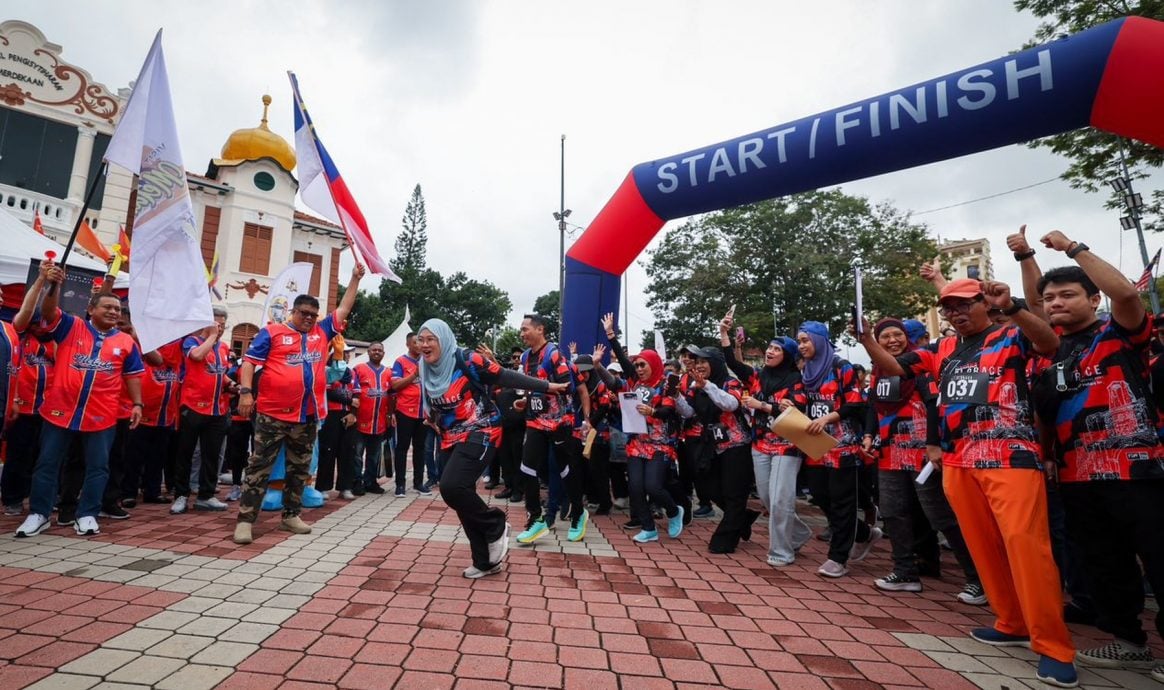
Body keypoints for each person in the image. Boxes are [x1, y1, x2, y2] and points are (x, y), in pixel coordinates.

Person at [858, 277, 1077, 689]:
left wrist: (1011, 306)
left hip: (1010, 457)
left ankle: (1054, 647)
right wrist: (868, 340)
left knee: (1026, 547)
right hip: (959, 461)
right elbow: (898, 369)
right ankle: (1010, 620)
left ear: (985, 303)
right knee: (983, 546)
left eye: (964, 305)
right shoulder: (943, 349)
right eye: (949, 309)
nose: (956, 314)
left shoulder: (1013, 336)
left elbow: (1049, 343)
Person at [1028, 232, 1164, 679]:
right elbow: (1046, 413)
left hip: (1137, 471)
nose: (1055, 304)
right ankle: (1129, 642)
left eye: (1067, 294)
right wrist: (1046, 458)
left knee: (1159, 556)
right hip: (1077, 476)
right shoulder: (1050, 353)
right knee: (1104, 564)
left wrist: (1072, 248)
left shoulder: (1120, 333)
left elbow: (1126, 292)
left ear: (1092, 297)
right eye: (1049, 298)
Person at [417, 319, 562, 577]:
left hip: (481, 429)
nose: (425, 345)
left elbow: (505, 375)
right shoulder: (424, 367)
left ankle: (496, 523)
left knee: (453, 486)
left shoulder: (466, 359)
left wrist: (547, 386)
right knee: (458, 496)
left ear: (444, 339)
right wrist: (431, 419)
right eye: (422, 340)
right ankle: (485, 561)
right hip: (450, 436)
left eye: (431, 339)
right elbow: (431, 402)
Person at [232, 263, 364, 544]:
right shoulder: (272, 332)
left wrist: (354, 279)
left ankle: (291, 515)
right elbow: (250, 362)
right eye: (304, 314)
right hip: (272, 414)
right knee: (259, 467)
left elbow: (344, 309)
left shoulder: (321, 333)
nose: (309, 319)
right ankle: (245, 520)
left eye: (313, 315)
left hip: (307, 415)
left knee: (299, 469)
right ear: (293, 311)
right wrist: (245, 392)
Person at [15, 261, 143, 538]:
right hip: (59, 409)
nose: (113, 312)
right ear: (90, 309)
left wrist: (137, 404)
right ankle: (39, 513)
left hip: (102, 415)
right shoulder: (71, 326)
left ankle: (87, 514)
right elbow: (48, 311)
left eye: (117, 310)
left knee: (98, 467)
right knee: (47, 463)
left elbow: (133, 375)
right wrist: (54, 284)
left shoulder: (126, 342)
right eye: (107, 307)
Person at [863, 318, 984, 604]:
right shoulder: (878, 372)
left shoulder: (920, 367)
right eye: (885, 337)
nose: (892, 341)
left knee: (940, 515)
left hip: (923, 456)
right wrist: (869, 434)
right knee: (892, 512)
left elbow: (934, 406)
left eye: (897, 335)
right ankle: (904, 571)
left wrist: (933, 445)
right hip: (890, 453)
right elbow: (873, 406)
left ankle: (978, 579)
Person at [723, 326, 812, 566]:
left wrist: (762, 406)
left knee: (780, 499)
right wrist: (724, 334)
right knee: (766, 497)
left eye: (776, 349)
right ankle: (799, 533)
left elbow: (797, 408)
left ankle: (781, 551)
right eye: (770, 347)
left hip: (788, 445)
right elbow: (731, 360)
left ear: (788, 356)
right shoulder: (757, 376)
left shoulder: (797, 380)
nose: (770, 352)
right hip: (761, 443)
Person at [797, 320, 879, 578]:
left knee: (843, 502)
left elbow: (855, 404)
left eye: (805, 340)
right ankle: (864, 533)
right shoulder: (806, 370)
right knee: (820, 495)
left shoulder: (841, 367)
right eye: (799, 341)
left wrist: (827, 418)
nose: (802, 346)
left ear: (820, 340)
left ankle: (838, 558)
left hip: (843, 446)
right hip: (815, 445)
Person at [602, 313, 686, 544]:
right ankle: (649, 528)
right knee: (636, 488)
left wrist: (653, 412)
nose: (638, 368)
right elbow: (622, 358)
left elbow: (669, 411)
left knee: (654, 487)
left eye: (643, 364)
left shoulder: (666, 383)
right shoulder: (635, 383)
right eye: (636, 365)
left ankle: (673, 511)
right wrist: (611, 336)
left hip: (660, 445)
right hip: (637, 443)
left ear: (655, 365)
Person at [515, 313, 589, 544]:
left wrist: (543, 389)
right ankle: (536, 519)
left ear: (540, 330)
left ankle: (578, 513)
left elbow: (568, 388)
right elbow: (528, 386)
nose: (522, 333)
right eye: (521, 329)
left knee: (565, 471)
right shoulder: (526, 357)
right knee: (526, 467)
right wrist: (525, 401)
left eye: (526, 329)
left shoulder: (554, 353)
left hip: (560, 423)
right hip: (535, 421)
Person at [686, 345, 753, 553]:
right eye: (697, 363)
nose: (699, 366)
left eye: (703, 362)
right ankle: (743, 518)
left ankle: (725, 538)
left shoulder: (729, 382)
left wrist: (707, 386)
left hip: (736, 445)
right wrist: (676, 398)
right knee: (710, 489)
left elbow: (731, 404)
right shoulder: (696, 385)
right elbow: (689, 411)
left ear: (714, 363)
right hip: (712, 446)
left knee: (734, 493)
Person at [171, 305, 232, 514]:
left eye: (223, 325)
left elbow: (220, 373)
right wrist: (211, 337)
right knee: (185, 453)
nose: (220, 329)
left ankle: (206, 495)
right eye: (216, 324)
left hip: (217, 410)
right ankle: (181, 495)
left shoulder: (223, 348)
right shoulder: (192, 341)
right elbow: (196, 356)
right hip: (192, 407)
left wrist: (234, 385)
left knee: (211, 455)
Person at [2, 330, 51, 516]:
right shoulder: (19, 339)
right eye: (38, 323)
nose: (42, 327)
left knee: (43, 457)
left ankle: (36, 496)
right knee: (17, 456)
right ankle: (12, 499)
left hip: (48, 412)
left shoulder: (57, 342)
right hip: (22, 409)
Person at [392, 333, 431, 496]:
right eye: (417, 342)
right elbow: (395, 385)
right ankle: (400, 485)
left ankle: (418, 483)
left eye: (422, 341)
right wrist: (414, 375)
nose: (421, 345)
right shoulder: (400, 361)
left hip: (423, 413)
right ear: (408, 344)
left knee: (420, 448)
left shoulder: (428, 362)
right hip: (405, 411)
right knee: (402, 447)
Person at [351, 342, 392, 495]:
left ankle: (371, 482)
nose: (377, 352)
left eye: (380, 350)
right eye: (374, 350)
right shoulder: (359, 369)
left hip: (379, 422)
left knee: (373, 456)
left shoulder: (388, 372)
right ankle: (356, 482)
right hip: (360, 421)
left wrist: (390, 415)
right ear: (368, 352)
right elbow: (353, 393)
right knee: (357, 455)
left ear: (383, 353)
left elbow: (392, 395)